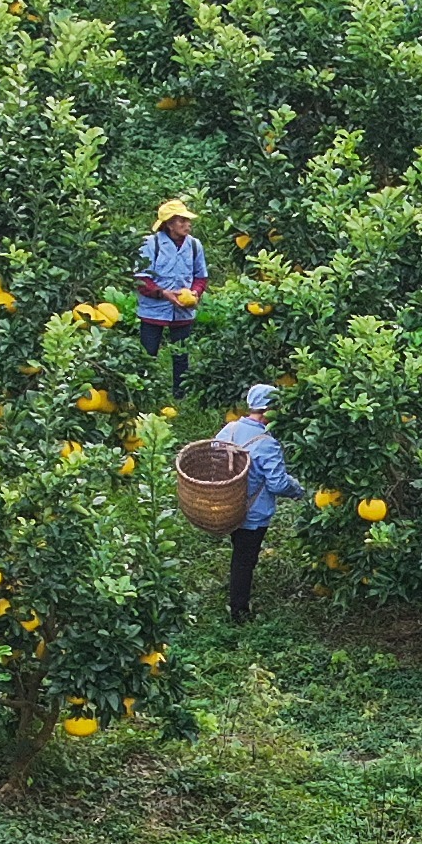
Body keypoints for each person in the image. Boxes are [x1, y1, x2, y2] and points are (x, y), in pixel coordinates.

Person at [213, 382, 308, 623]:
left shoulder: (230, 429)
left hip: (229, 506)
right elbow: (277, 484)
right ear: (269, 411)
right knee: (245, 560)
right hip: (254, 514)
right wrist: (298, 490)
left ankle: (236, 596)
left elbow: (213, 455)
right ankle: (239, 611)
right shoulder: (267, 443)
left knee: (239, 554)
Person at [136, 198, 214, 390]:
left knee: (181, 355)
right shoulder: (151, 244)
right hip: (153, 311)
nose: (187, 225)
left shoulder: (194, 246)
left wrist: (195, 293)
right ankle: (144, 391)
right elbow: (141, 279)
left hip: (183, 311)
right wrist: (163, 293)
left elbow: (201, 277)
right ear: (169, 224)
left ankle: (180, 394)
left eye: (188, 221)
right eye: (181, 221)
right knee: (148, 354)